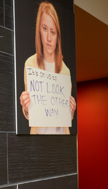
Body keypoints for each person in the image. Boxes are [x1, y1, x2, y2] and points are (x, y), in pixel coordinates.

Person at [19, 1, 76, 134]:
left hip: (61, 141)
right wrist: (26, 106)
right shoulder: (30, 64)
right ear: (39, 30)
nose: (49, 38)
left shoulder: (65, 71)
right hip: (39, 142)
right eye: (45, 29)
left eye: (53, 32)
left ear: (58, 36)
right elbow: (30, 113)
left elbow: (66, 117)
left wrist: (71, 111)